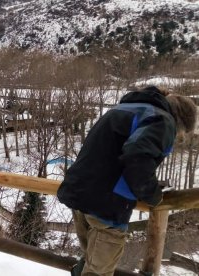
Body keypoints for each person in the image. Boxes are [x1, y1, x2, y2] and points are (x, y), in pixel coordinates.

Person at [57, 86, 197, 276]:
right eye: (180, 134)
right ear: (181, 122)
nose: (178, 137)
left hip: (80, 195)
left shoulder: (127, 108)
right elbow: (137, 156)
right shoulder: (162, 120)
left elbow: (115, 152)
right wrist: (153, 194)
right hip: (106, 206)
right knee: (98, 272)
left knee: (89, 264)